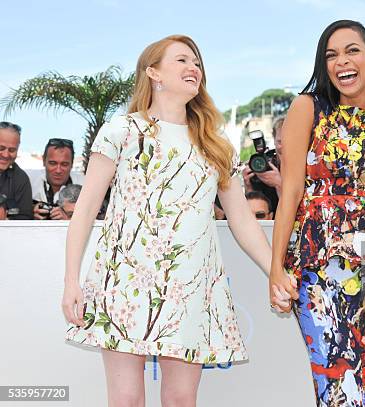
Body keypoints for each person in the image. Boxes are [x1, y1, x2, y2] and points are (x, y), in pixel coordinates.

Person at [62, 35, 289, 407]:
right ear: (153, 72)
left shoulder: (216, 144)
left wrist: (275, 272)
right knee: (126, 400)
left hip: (192, 289)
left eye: (197, 63)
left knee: (182, 400)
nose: (193, 68)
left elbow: (243, 221)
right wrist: (72, 280)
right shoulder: (122, 131)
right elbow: (85, 210)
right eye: (182, 60)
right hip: (125, 283)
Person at [269, 20, 365, 406]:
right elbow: (291, 190)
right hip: (316, 265)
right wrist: (276, 268)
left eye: (352, 50)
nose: (342, 62)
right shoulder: (308, 108)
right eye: (331, 55)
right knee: (333, 385)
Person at [242, 116, 285, 215]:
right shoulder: (264, 161)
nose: (284, 146)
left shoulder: (308, 165)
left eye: (289, 140)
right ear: (274, 139)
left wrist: (279, 184)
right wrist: (249, 187)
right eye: (280, 142)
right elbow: (253, 211)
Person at [32, 138, 78, 220]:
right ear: (43, 161)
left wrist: (68, 219)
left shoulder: (86, 186)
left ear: (72, 164)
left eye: (64, 164)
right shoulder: (28, 184)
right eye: (53, 163)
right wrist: (30, 213)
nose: (58, 170)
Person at [0, 121, 32, 220]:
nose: (6, 155)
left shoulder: (21, 179)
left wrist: (6, 220)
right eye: (1, 148)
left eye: (12, 150)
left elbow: (25, 218)